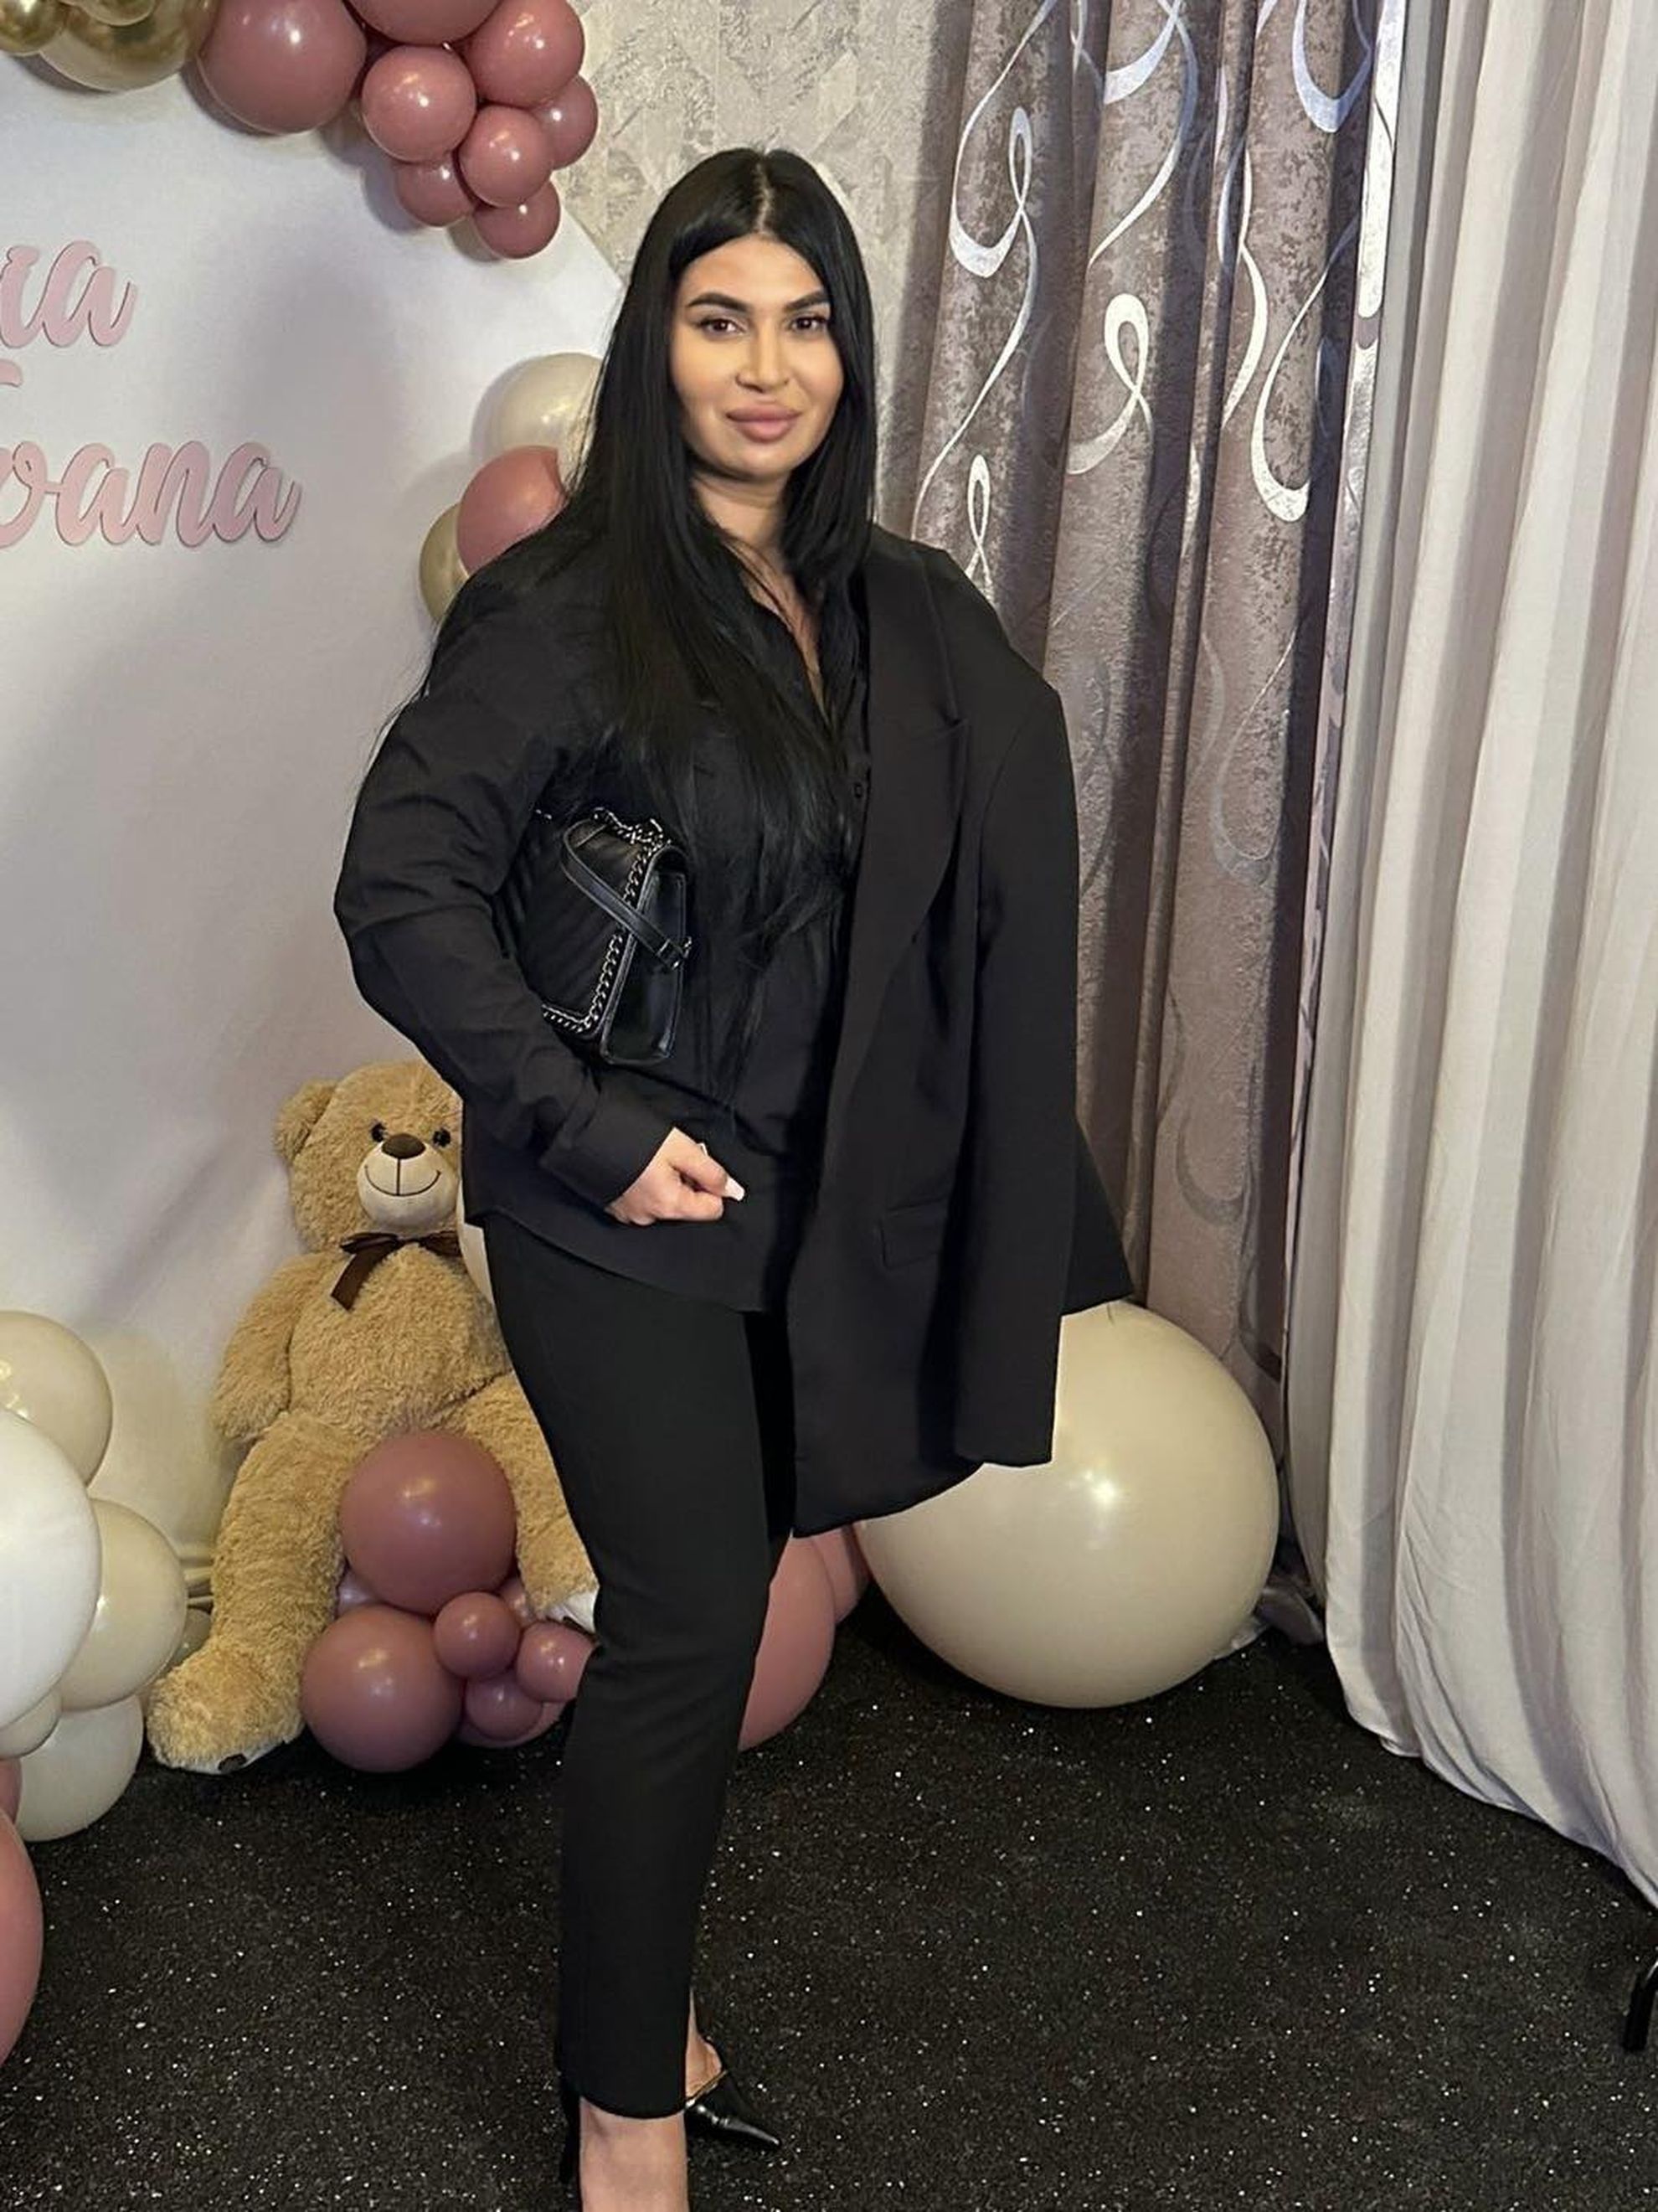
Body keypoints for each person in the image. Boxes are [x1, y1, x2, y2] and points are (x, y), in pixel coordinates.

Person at [333, 146, 1133, 2212]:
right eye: (718, 320)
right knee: (694, 1622)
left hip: (809, 1207)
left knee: (705, 1614)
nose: (765, 367)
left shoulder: (893, 611)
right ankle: (624, 2106)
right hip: (614, 1207)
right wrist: (587, 1124)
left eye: (805, 321)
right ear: (655, 345)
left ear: (848, 353)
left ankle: (652, 2001)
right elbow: (400, 889)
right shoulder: (566, 607)